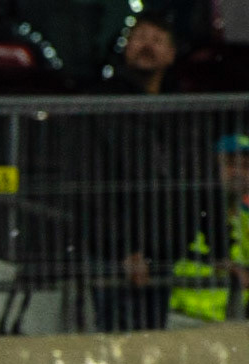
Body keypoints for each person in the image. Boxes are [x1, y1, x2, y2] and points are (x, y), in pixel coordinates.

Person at [82, 13, 215, 332]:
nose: (147, 46)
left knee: (151, 345)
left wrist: (218, 248)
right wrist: (122, 250)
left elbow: (201, 179)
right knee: (119, 346)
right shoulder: (102, 104)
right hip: (115, 257)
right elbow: (92, 183)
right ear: (126, 48)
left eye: (157, 40)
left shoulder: (180, 109)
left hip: (164, 255)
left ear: (171, 54)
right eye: (140, 37)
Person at [170, 133, 249, 323]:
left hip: (238, 321)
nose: (239, 172)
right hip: (187, 319)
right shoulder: (191, 212)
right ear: (214, 169)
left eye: (247, 167)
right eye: (231, 164)